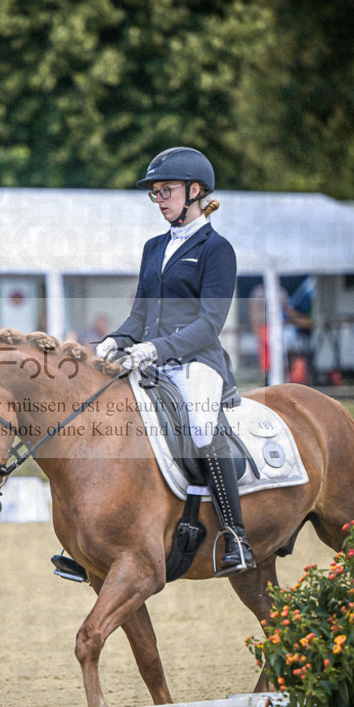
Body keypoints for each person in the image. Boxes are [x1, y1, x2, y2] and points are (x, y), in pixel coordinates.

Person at [95, 146, 256, 577]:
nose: (160, 199)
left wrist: (156, 348)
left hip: (197, 363)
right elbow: (140, 314)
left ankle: (235, 538)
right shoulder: (154, 247)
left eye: (166, 191)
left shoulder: (217, 249)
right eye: (156, 193)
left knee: (201, 425)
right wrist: (114, 340)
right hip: (150, 362)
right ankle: (91, 542)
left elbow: (210, 323)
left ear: (194, 191)